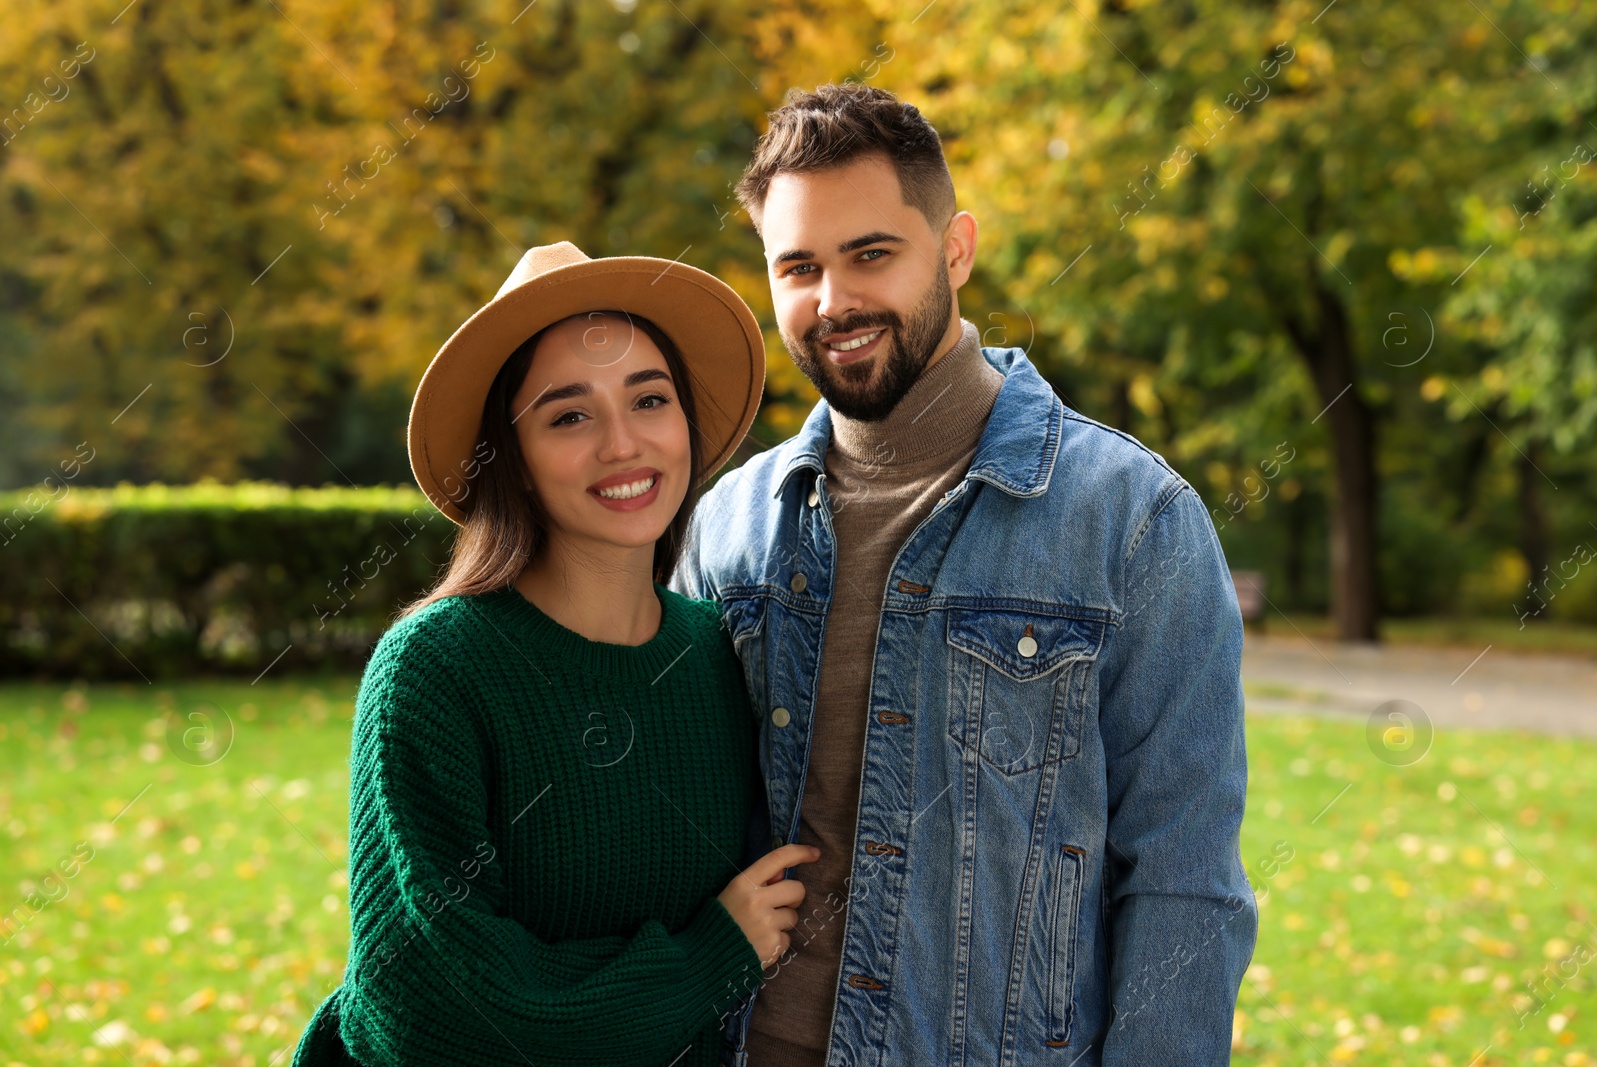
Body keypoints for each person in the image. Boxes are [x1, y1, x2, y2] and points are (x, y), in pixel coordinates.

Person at [668, 84, 1257, 1066]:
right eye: (798, 267)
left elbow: (1183, 877)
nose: (833, 301)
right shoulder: (727, 525)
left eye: (870, 254)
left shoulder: (1133, 522)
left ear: (954, 250)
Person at [289, 241, 819, 1067]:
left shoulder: (716, 656)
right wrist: (706, 959)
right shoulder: (434, 671)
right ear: (515, 463)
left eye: (649, 398)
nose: (623, 444)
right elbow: (430, 1000)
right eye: (569, 415)